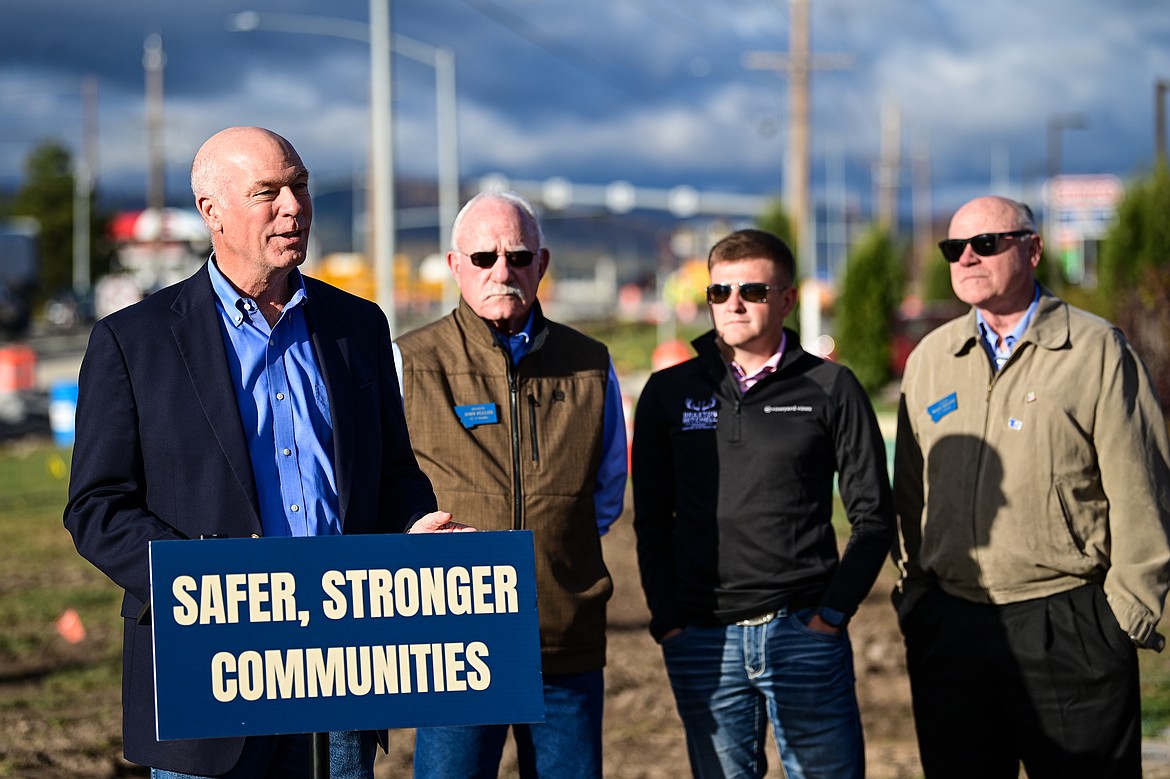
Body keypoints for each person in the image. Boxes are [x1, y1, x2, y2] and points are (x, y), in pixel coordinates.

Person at [63, 126, 467, 779]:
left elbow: (392, 473)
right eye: (268, 192)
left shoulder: (357, 326)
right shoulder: (133, 341)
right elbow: (97, 508)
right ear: (211, 210)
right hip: (209, 671)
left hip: (342, 670)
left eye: (300, 186)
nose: (294, 206)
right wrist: (203, 578)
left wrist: (415, 526)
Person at [893, 195, 1170, 777]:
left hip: (1068, 626)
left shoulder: (1095, 351)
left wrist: (1124, 616)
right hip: (954, 628)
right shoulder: (929, 360)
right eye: (955, 248)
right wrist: (917, 599)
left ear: (1034, 249)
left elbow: (1142, 486)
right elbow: (911, 495)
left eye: (986, 244)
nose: (967, 257)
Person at [632, 228, 895, 779]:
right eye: (719, 291)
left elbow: (873, 517)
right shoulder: (668, 392)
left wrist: (832, 615)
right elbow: (652, 519)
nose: (733, 303)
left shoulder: (831, 387)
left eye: (751, 291)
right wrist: (669, 621)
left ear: (786, 299)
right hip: (703, 640)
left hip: (804, 633)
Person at [394, 190, 627, 778]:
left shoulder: (592, 364)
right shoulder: (410, 362)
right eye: (483, 258)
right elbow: (386, 492)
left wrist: (552, 542)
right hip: (452, 646)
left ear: (542, 265)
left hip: (562, 643)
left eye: (519, 257)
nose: (503, 271)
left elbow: (605, 493)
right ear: (454, 266)